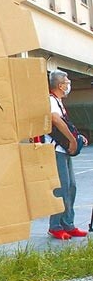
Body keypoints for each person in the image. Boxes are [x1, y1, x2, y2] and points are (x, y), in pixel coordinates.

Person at [47, 69, 88, 240]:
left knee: (71, 186)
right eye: (67, 81)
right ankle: (55, 225)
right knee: (61, 188)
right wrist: (72, 140)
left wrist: (77, 137)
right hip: (56, 150)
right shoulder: (50, 100)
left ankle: (68, 223)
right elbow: (55, 119)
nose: (69, 84)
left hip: (62, 150)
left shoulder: (58, 101)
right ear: (60, 85)